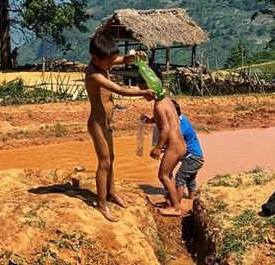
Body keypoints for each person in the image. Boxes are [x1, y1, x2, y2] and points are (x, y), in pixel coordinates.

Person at [85, 33, 156, 222]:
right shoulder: (94, 74)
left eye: (111, 62)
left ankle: (112, 192)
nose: (110, 65)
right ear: (95, 58)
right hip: (97, 124)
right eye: (108, 63)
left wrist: (134, 57)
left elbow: (124, 59)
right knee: (104, 162)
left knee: (112, 158)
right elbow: (119, 89)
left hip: (106, 123)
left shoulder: (104, 61)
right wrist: (142, 92)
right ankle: (101, 204)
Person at [142, 82, 205, 217]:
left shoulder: (159, 105)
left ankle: (176, 207)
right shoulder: (167, 101)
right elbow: (170, 119)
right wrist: (152, 120)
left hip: (175, 146)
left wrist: (158, 147)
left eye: (142, 90)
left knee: (163, 175)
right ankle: (172, 203)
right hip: (180, 146)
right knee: (169, 175)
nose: (142, 94)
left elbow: (165, 129)